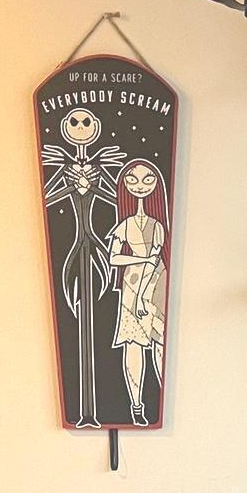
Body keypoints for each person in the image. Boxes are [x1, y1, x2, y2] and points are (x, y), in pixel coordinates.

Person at [106, 159, 170, 424]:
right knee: (133, 344)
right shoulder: (125, 225)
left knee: (158, 342)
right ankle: (136, 406)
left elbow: (155, 259)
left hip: (154, 282)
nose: (140, 185)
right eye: (133, 179)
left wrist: (144, 293)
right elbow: (113, 258)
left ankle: (160, 396)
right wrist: (138, 261)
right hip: (132, 283)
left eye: (147, 179)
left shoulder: (157, 225)